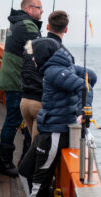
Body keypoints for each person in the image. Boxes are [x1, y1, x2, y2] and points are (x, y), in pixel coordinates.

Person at [18, 38, 97, 197]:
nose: (33, 59)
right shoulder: (66, 67)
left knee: (40, 180)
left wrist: (84, 110)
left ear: (42, 56)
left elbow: (84, 86)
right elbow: (92, 76)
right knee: (24, 170)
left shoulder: (53, 71)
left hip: (54, 133)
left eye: (34, 56)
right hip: (46, 129)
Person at [0, 0, 44, 177]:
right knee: (12, 121)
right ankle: (4, 162)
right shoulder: (27, 26)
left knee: (13, 120)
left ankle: (12, 160)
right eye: (39, 8)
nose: (42, 11)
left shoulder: (19, 23)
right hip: (16, 81)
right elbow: (38, 49)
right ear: (29, 9)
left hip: (12, 77)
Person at [20, 10, 74, 141]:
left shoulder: (30, 44)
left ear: (48, 27)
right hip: (41, 105)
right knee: (37, 150)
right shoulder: (65, 54)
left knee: (33, 144)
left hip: (25, 102)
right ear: (66, 30)